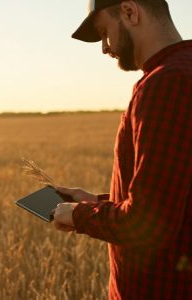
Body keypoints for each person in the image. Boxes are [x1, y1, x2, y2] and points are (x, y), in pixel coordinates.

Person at [52, 0, 192, 299]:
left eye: (104, 32)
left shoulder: (166, 82)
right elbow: (176, 198)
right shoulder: (185, 69)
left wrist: (78, 216)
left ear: (130, 12)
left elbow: (148, 224)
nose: (104, 47)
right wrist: (97, 201)